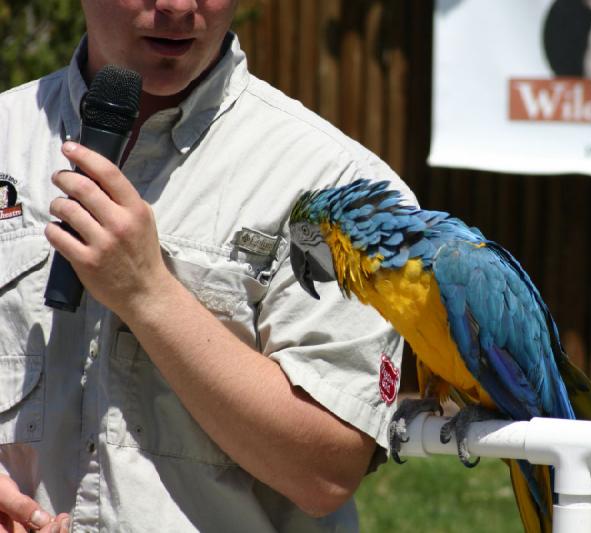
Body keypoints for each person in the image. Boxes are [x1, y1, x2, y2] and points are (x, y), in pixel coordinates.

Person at [0, 1, 411, 531]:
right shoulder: (8, 140)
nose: (177, 6)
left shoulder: (339, 190)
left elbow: (325, 473)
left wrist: (148, 293)